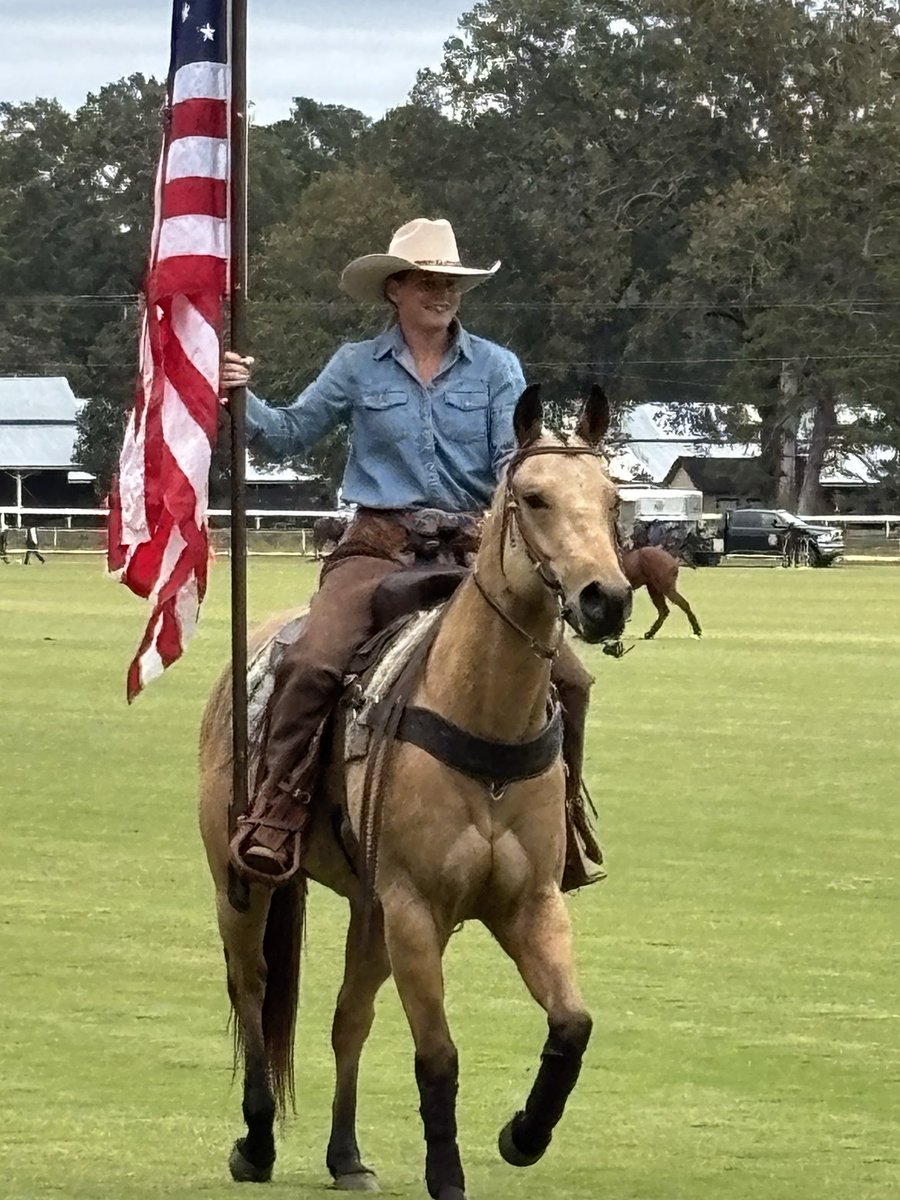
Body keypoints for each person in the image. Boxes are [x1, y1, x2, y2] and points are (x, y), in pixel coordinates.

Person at [221, 217, 600, 889]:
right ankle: (279, 808)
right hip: (379, 544)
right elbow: (288, 435)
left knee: (571, 680)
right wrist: (239, 394)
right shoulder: (355, 365)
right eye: (427, 281)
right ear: (394, 289)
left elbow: (509, 463)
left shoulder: (497, 368)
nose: (442, 293)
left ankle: (561, 824)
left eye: (451, 282)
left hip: (471, 549)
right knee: (311, 660)